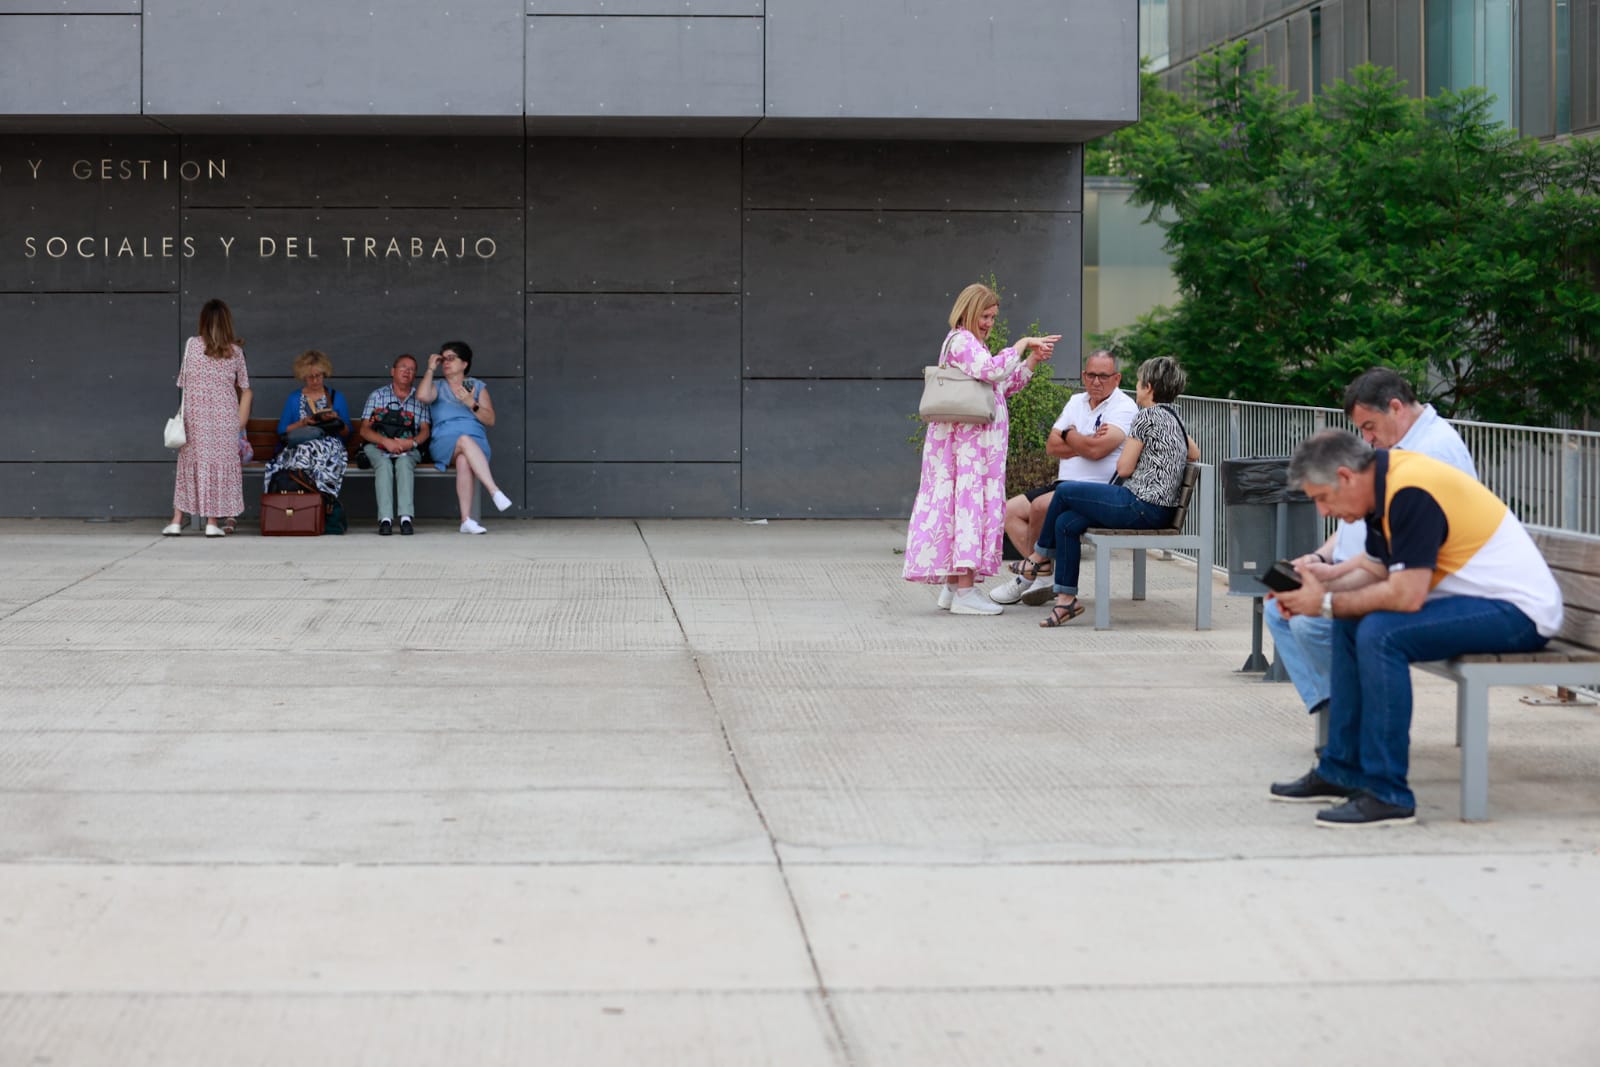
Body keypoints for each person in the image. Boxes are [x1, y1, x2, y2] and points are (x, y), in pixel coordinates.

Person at [1268, 431, 1561, 827]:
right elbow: (1376, 570)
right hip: (1481, 603)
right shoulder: (1384, 484)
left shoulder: (1410, 491)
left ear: (1346, 476)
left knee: (1381, 633)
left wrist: (1321, 603)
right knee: (1354, 621)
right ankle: (1342, 770)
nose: (1322, 512)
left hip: (1519, 613)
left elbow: (1405, 595)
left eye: (1322, 497)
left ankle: (1388, 794)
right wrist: (1321, 583)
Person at [1265, 368, 1477, 721]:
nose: (1367, 438)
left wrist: (1329, 588)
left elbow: (1409, 561)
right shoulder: (1394, 447)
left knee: (1310, 621)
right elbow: (1356, 523)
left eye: (1368, 427)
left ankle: (1349, 723)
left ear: (1396, 408)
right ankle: (1338, 718)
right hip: (1375, 569)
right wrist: (1320, 559)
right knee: (1280, 609)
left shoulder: (1433, 453)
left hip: (1418, 581)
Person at [903, 283, 1059, 615]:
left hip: (970, 453)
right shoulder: (962, 342)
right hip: (967, 454)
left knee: (962, 513)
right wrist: (1019, 345)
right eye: (985, 315)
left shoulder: (972, 345)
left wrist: (1030, 359)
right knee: (967, 511)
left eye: (992, 317)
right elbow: (993, 372)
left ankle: (952, 588)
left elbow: (1000, 385)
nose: (989, 322)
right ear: (969, 311)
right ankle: (965, 592)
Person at [1011, 356, 1200, 627]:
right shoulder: (1175, 416)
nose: (1136, 388)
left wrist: (1133, 451)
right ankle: (1066, 601)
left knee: (1065, 494)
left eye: (1138, 382)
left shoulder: (1144, 417)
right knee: (1066, 522)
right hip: (1159, 509)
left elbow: (1123, 469)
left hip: (1140, 506)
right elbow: (1195, 452)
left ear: (1148, 387)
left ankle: (1038, 558)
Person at [990, 349, 1138, 606]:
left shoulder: (1124, 406)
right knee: (1008, 511)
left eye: (1103, 376)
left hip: (1096, 492)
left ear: (1117, 378)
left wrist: (1071, 436)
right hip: (1062, 484)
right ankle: (1043, 573)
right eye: (1091, 375)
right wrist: (1088, 439)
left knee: (1040, 506)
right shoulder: (1075, 401)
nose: (1096, 381)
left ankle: (1029, 575)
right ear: (1083, 375)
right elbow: (1051, 446)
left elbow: (1096, 451)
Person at [166, 299, 253, 537]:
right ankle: (212, 523)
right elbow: (245, 385)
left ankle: (176, 520)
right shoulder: (236, 352)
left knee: (190, 465)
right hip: (226, 418)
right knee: (218, 466)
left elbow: (183, 381)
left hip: (195, 417)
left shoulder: (192, 345)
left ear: (203, 321)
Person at [416, 340, 513, 534]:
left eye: (451, 358)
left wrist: (471, 403)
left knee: (463, 461)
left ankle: (466, 520)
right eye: (443, 359)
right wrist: (429, 369)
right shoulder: (437, 385)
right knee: (463, 440)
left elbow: (490, 419)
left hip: (476, 443)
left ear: (464, 364)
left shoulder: (477, 386)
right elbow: (422, 396)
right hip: (444, 443)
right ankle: (494, 491)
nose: (446, 363)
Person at [263, 349, 352, 501]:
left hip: (329, 447)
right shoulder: (295, 398)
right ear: (303, 377)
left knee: (311, 452)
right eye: (310, 377)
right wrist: (303, 422)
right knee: (302, 452)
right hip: (301, 444)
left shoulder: (336, 397)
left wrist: (337, 421)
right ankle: (300, 498)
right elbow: (282, 430)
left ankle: (314, 500)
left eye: (319, 376)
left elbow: (347, 433)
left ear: (325, 374)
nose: (315, 381)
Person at [359, 354, 432, 536]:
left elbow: (425, 430)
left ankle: (406, 518)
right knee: (383, 464)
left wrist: (411, 442)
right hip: (378, 446)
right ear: (393, 371)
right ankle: (385, 520)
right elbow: (365, 430)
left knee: (404, 462)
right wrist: (386, 442)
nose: (407, 371)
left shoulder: (420, 399)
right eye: (403, 367)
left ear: (415, 375)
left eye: (411, 369)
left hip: (408, 447)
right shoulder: (377, 396)